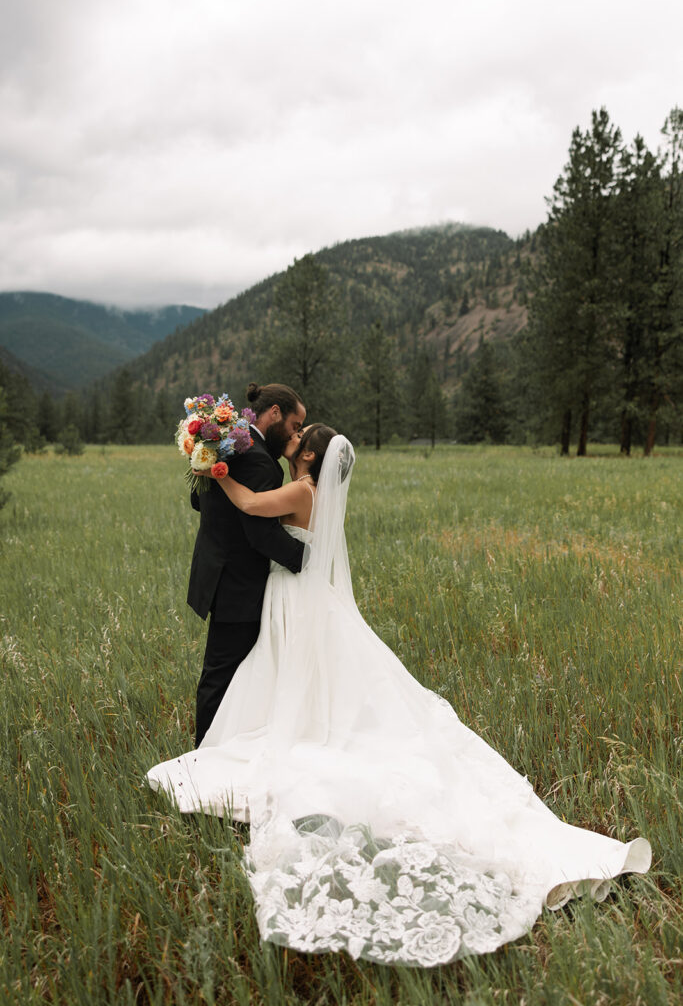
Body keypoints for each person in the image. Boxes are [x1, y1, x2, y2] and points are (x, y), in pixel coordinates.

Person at [148, 429, 651, 967]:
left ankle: (301, 733)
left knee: (304, 686)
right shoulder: (315, 495)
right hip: (307, 601)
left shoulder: (302, 493)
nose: (291, 439)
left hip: (295, 599)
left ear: (312, 455)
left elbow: (249, 503)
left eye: (298, 437)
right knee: (316, 683)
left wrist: (214, 464)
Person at [187, 381, 306, 747]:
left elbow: (197, 498)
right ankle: (203, 763)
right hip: (239, 585)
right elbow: (261, 535)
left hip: (217, 575)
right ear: (275, 414)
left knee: (227, 674)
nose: (297, 435)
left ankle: (223, 749)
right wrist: (307, 558)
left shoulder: (233, 444)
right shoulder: (261, 463)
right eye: (294, 426)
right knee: (223, 677)